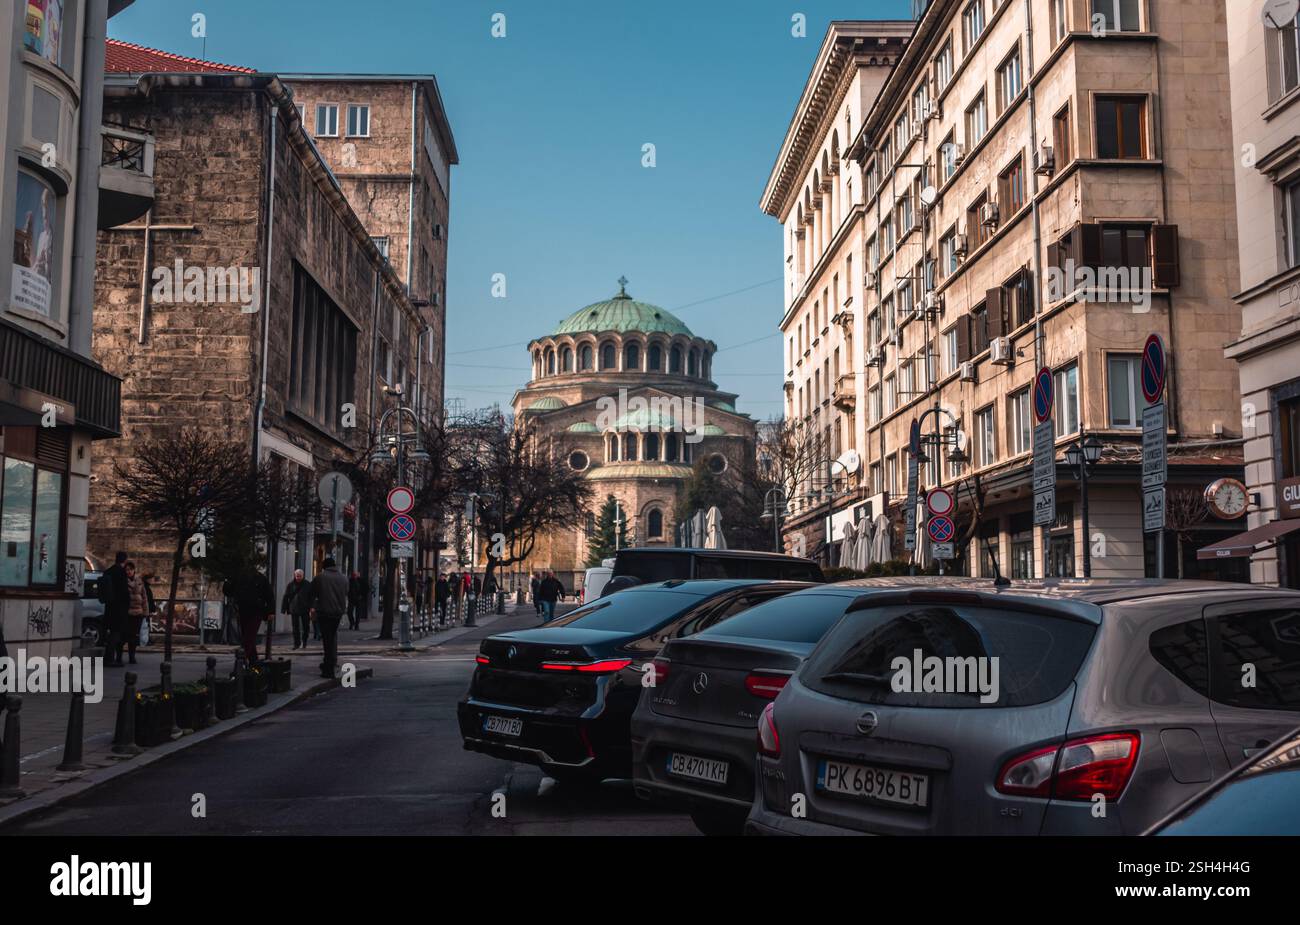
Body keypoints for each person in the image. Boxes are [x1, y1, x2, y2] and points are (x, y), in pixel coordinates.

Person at [306, 556, 349, 679]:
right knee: (332, 636)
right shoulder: (343, 578)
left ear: (324, 566)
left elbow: (312, 593)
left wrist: (312, 606)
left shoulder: (320, 577)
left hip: (324, 611)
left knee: (327, 639)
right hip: (338, 612)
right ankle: (330, 663)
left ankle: (328, 666)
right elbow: (346, 592)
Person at [229, 565, 275, 664]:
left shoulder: (260, 579)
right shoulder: (241, 578)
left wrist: (271, 611)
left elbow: (269, 596)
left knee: (249, 635)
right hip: (244, 610)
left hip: (255, 611)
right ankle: (253, 660)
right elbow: (230, 591)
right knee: (248, 635)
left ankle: (243, 658)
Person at [99, 551, 131, 667]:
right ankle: (109, 659)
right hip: (119, 608)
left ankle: (108, 658)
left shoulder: (108, 571)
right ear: (125, 560)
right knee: (116, 634)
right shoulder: (121, 572)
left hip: (109, 607)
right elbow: (124, 592)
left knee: (112, 633)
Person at [124, 561, 148, 665]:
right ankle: (122, 656)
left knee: (134, 636)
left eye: (130, 569)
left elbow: (144, 597)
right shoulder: (123, 581)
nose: (128, 571)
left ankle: (132, 656)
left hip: (138, 612)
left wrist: (146, 612)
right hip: (127, 612)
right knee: (127, 635)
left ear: (134, 570)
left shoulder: (139, 581)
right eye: (127, 570)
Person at [282, 569, 312, 649]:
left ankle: (304, 641)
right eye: (297, 576)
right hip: (294, 608)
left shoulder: (308, 584)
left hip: (305, 608)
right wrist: (284, 608)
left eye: (300, 576)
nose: (298, 578)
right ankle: (296, 643)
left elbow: (311, 597)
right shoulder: (291, 585)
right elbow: (286, 596)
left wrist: (312, 607)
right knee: (295, 627)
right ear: (294, 576)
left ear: (303, 576)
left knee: (306, 626)